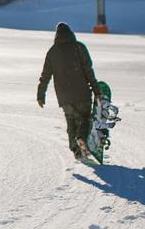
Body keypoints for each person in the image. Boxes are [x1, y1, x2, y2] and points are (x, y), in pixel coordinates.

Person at [36, 22, 104, 160]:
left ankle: (76, 150)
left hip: (64, 96)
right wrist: (97, 91)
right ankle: (81, 138)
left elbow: (45, 75)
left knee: (71, 121)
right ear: (71, 33)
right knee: (85, 118)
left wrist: (40, 94)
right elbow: (88, 71)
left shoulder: (52, 52)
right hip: (82, 92)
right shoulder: (79, 47)